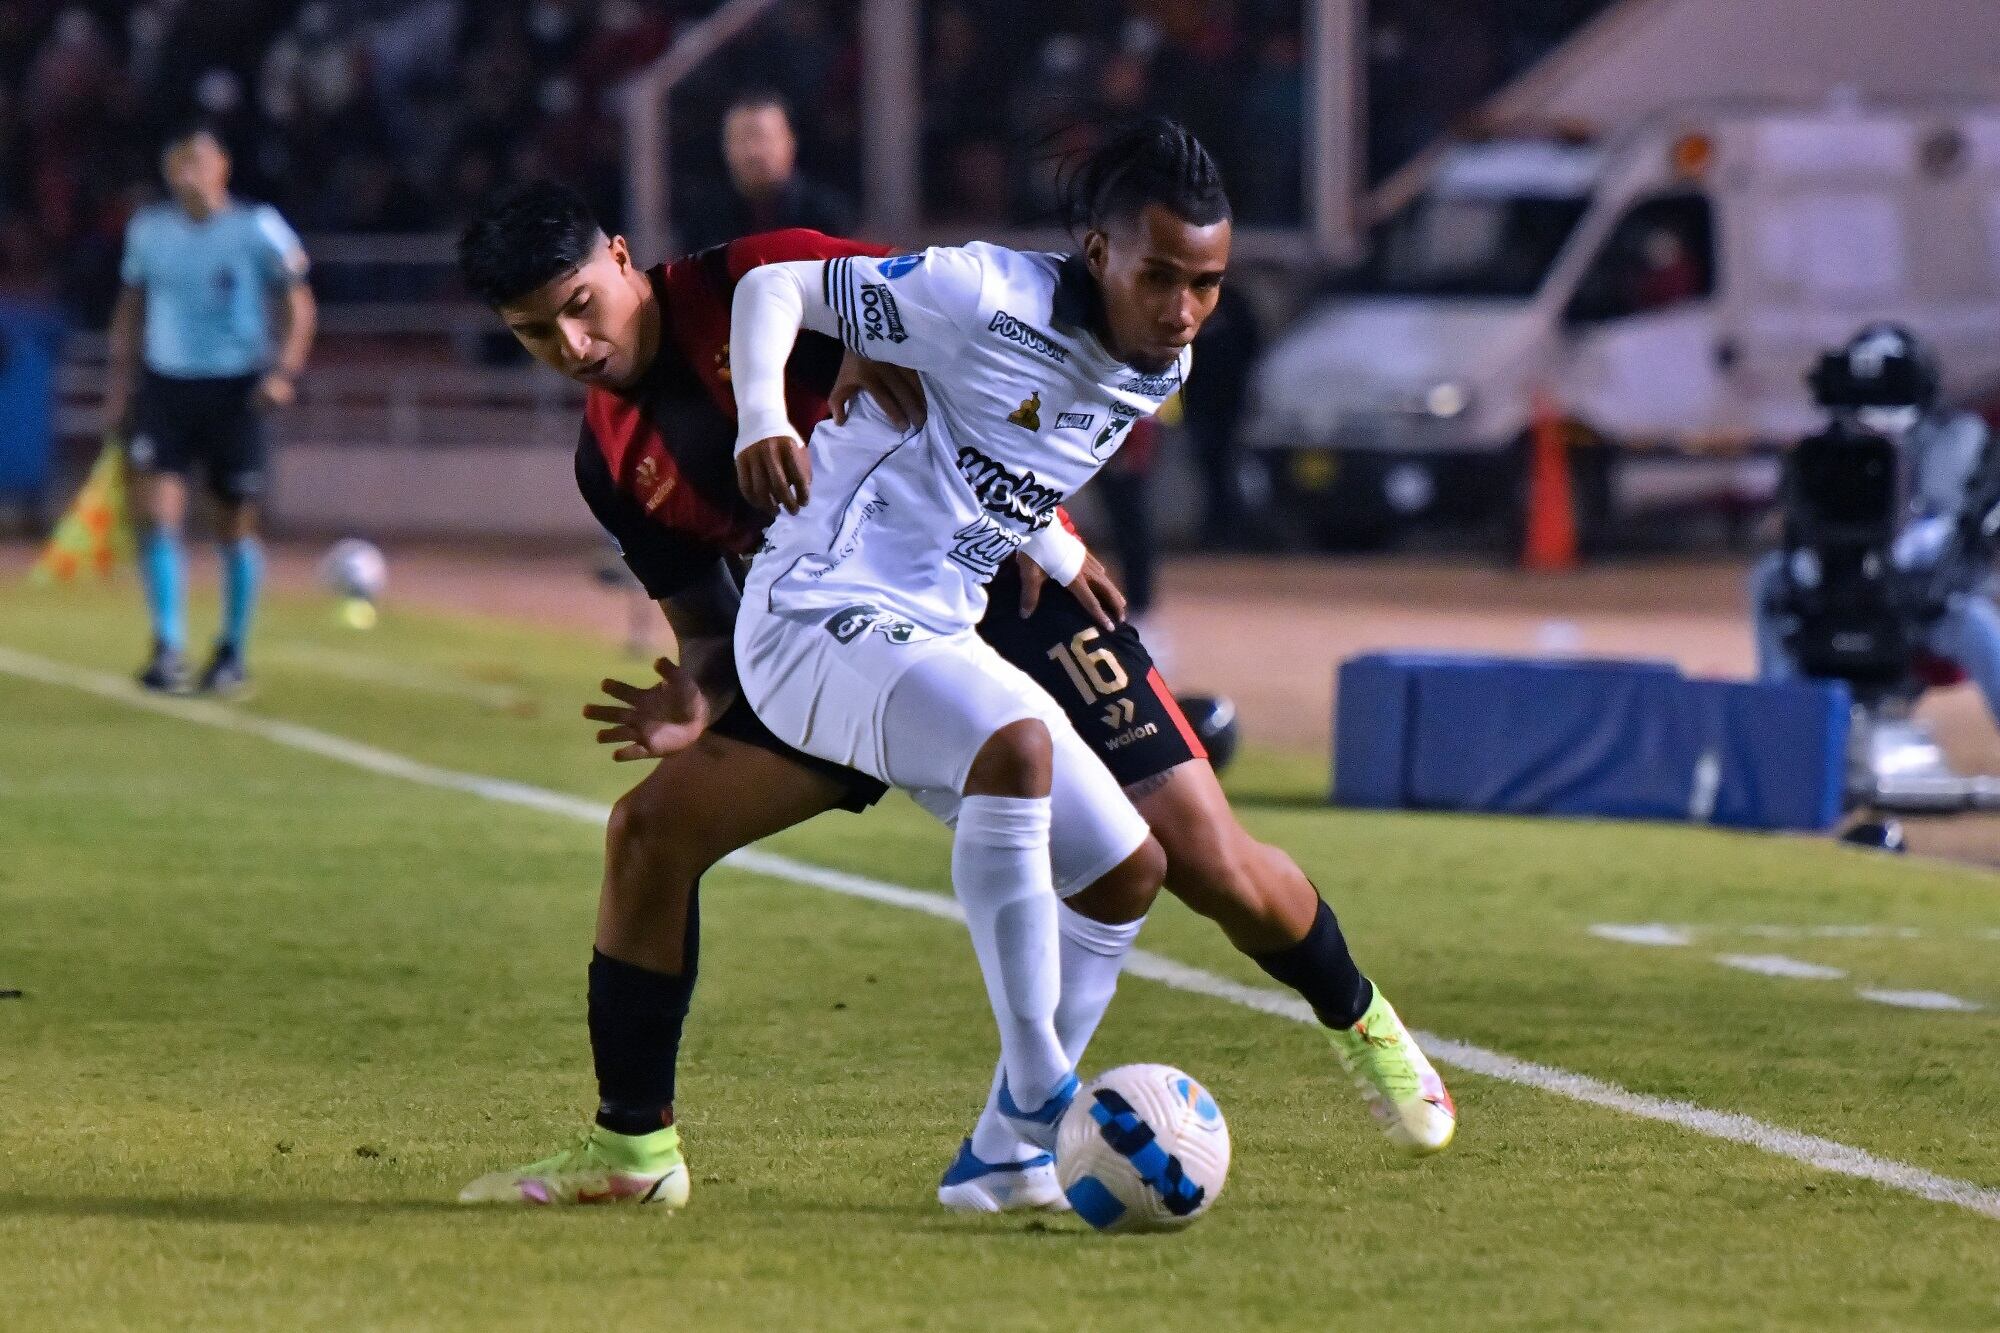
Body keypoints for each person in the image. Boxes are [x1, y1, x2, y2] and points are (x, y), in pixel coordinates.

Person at [451, 149, 1451, 1211]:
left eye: (579, 306)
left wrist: (1046, 541)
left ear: (620, 258)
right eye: (534, 334)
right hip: (839, 622)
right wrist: (696, 690)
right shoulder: (610, 461)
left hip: (1005, 583)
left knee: (1194, 861)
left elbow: (946, 333)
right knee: (649, 832)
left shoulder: (753, 272)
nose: (572, 345)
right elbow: (702, 620)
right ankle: (634, 1149)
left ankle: (1361, 1021)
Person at [105, 121, 315, 696]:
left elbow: (298, 301)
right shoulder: (149, 231)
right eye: (179, 161)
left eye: (199, 159)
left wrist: (283, 372)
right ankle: (168, 645)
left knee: (235, 523)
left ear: (223, 165)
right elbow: (131, 306)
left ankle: (231, 649)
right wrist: (121, 385)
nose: (188, 172)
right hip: (167, 385)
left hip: (235, 389)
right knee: (158, 515)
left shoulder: (256, 228)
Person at [1754, 324, 2000, 720]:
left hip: (1926, 608)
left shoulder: (1955, 441)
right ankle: (1778, 723)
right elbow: (1797, 533)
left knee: (1976, 619)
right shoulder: (1824, 454)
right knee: (1767, 579)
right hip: (1835, 599)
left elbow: (1959, 529)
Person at [675, 90, 855, 253]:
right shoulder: (705, 220)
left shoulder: (828, 216)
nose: (753, 152)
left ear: (790, 141)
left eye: (763, 138)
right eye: (742, 140)